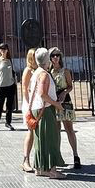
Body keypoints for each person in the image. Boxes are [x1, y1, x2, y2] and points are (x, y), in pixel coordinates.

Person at [28, 46, 67, 178]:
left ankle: (40, 168)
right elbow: (42, 94)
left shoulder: (36, 73)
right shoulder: (44, 74)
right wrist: (57, 104)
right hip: (45, 109)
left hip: (35, 108)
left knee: (41, 140)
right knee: (51, 139)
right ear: (47, 60)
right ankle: (52, 170)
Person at [47, 47, 81, 169]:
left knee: (69, 128)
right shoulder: (48, 72)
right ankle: (57, 156)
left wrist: (65, 92)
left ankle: (76, 155)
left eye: (57, 55)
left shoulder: (65, 71)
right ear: (50, 58)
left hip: (65, 101)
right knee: (56, 130)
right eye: (53, 56)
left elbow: (70, 86)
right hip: (53, 102)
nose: (55, 58)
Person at [19, 48, 38, 173]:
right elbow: (24, 89)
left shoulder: (40, 70)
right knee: (30, 132)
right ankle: (25, 160)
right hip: (30, 105)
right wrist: (28, 106)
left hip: (39, 105)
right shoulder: (28, 70)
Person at [0, 43, 17, 131]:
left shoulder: (9, 60)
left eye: (4, 49)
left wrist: (14, 82)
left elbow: (13, 72)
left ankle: (8, 122)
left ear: (7, 50)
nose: (3, 51)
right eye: (1, 49)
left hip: (10, 85)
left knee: (9, 106)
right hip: (2, 86)